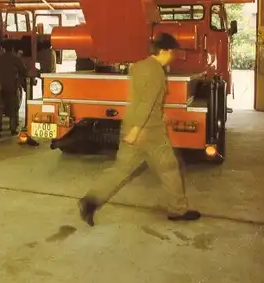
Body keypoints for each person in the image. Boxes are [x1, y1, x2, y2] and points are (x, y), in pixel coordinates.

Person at [78, 32, 201, 226]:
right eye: (172, 52)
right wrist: (138, 129)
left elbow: (142, 97)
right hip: (148, 130)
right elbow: (147, 101)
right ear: (164, 50)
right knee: (169, 168)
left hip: (134, 125)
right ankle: (178, 209)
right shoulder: (156, 72)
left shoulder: (140, 66)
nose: (173, 56)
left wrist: (152, 117)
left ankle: (90, 201)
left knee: (120, 169)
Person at [0, 39, 27, 136]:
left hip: (0, 86)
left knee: (0, 108)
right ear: (13, 48)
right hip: (12, 86)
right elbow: (23, 70)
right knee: (14, 108)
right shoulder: (16, 58)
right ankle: (13, 128)